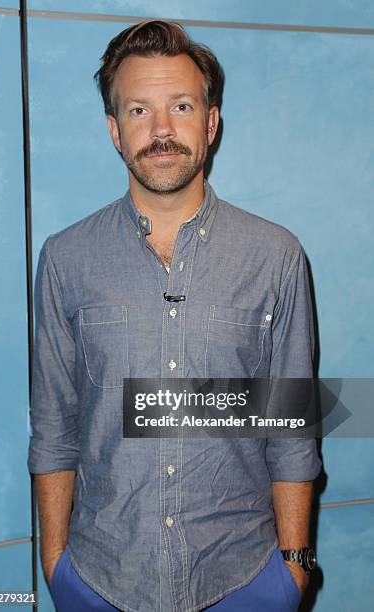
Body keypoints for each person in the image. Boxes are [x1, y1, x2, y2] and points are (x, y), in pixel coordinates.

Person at [28, 19, 322, 612]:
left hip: (245, 580)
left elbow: (292, 430)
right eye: (139, 111)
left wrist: (291, 569)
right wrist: (57, 565)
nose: (162, 131)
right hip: (99, 578)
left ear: (210, 123)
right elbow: (53, 427)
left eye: (181, 106)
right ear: (114, 130)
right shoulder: (64, 259)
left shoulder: (276, 256)